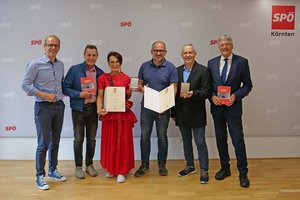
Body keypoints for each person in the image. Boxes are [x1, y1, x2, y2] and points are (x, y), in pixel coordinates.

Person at [21, 35, 67, 190]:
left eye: (55, 45)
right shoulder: (35, 64)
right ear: (44, 46)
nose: (52, 47)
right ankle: (39, 175)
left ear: (59, 47)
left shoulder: (61, 65)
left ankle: (53, 170)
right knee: (43, 144)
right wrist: (44, 95)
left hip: (59, 106)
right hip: (43, 108)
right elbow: (25, 85)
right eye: (49, 45)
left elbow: (60, 84)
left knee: (55, 141)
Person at [207, 34, 253, 188]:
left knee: (238, 140)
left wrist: (236, 95)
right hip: (217, 108)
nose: (224, 47)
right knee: (221, 139)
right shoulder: (212, 63)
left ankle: (243, 172)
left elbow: (248, 85)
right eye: (222, 45)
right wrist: (212, 96)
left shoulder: (242, 62)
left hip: (233, 108)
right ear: (218, 47)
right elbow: (208, 86)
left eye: (227, 44)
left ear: (231, 46)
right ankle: (225, 168)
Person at [134, 41, 178, 177]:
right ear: (151, 51)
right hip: (147, 107)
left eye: (161, 50)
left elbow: (174, 89)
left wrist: (165, 105)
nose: (158, 53)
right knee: (145, 136)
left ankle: (162, 164)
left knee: (162, 137)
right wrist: (143, 90)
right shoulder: (144, 66)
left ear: (165, 52)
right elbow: (139, 85)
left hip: (163, 109)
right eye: (156, 50)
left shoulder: (171, 67)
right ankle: (145, 164)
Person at [171, 44, 211, 183]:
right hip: (181, 113)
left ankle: (204, 170)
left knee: (200, 142)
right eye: (185, 53)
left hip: (197, 113)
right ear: (181, 55)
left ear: (195, 54)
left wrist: (193, 94)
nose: (188, 55)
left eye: (190, 52)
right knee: (186, 141)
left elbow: (206, 92)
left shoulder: (204, 70)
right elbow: (174, 95)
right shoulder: (176, 71)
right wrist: (173, 113)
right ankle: (190, 166)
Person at [63, 45, 103, 179]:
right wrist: (79, 94)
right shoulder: (74, 70)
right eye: (89, 55)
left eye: (94, 55)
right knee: (78, 140)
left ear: (97, 56)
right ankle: (78, 166)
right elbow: (65, 88)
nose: (91, 58)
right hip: (78, 109)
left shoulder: (100, 72)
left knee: (91, 140)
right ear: (84, 55)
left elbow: (103, 93)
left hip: (93, 110)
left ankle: (90, 164)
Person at [97, 51, 137, 183]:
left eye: (117, 62)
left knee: (123, 142)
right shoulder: (103, 78)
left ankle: (122, 171)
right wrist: (99, 109)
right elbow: (100, 95)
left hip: (123, 115)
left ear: (121, 63)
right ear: (108, 63)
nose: (114, 64)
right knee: (111, 141)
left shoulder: (127, 78)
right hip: (109, 114)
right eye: (112, 62)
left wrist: (131, 90)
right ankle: (111, 168)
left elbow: (128, 96)